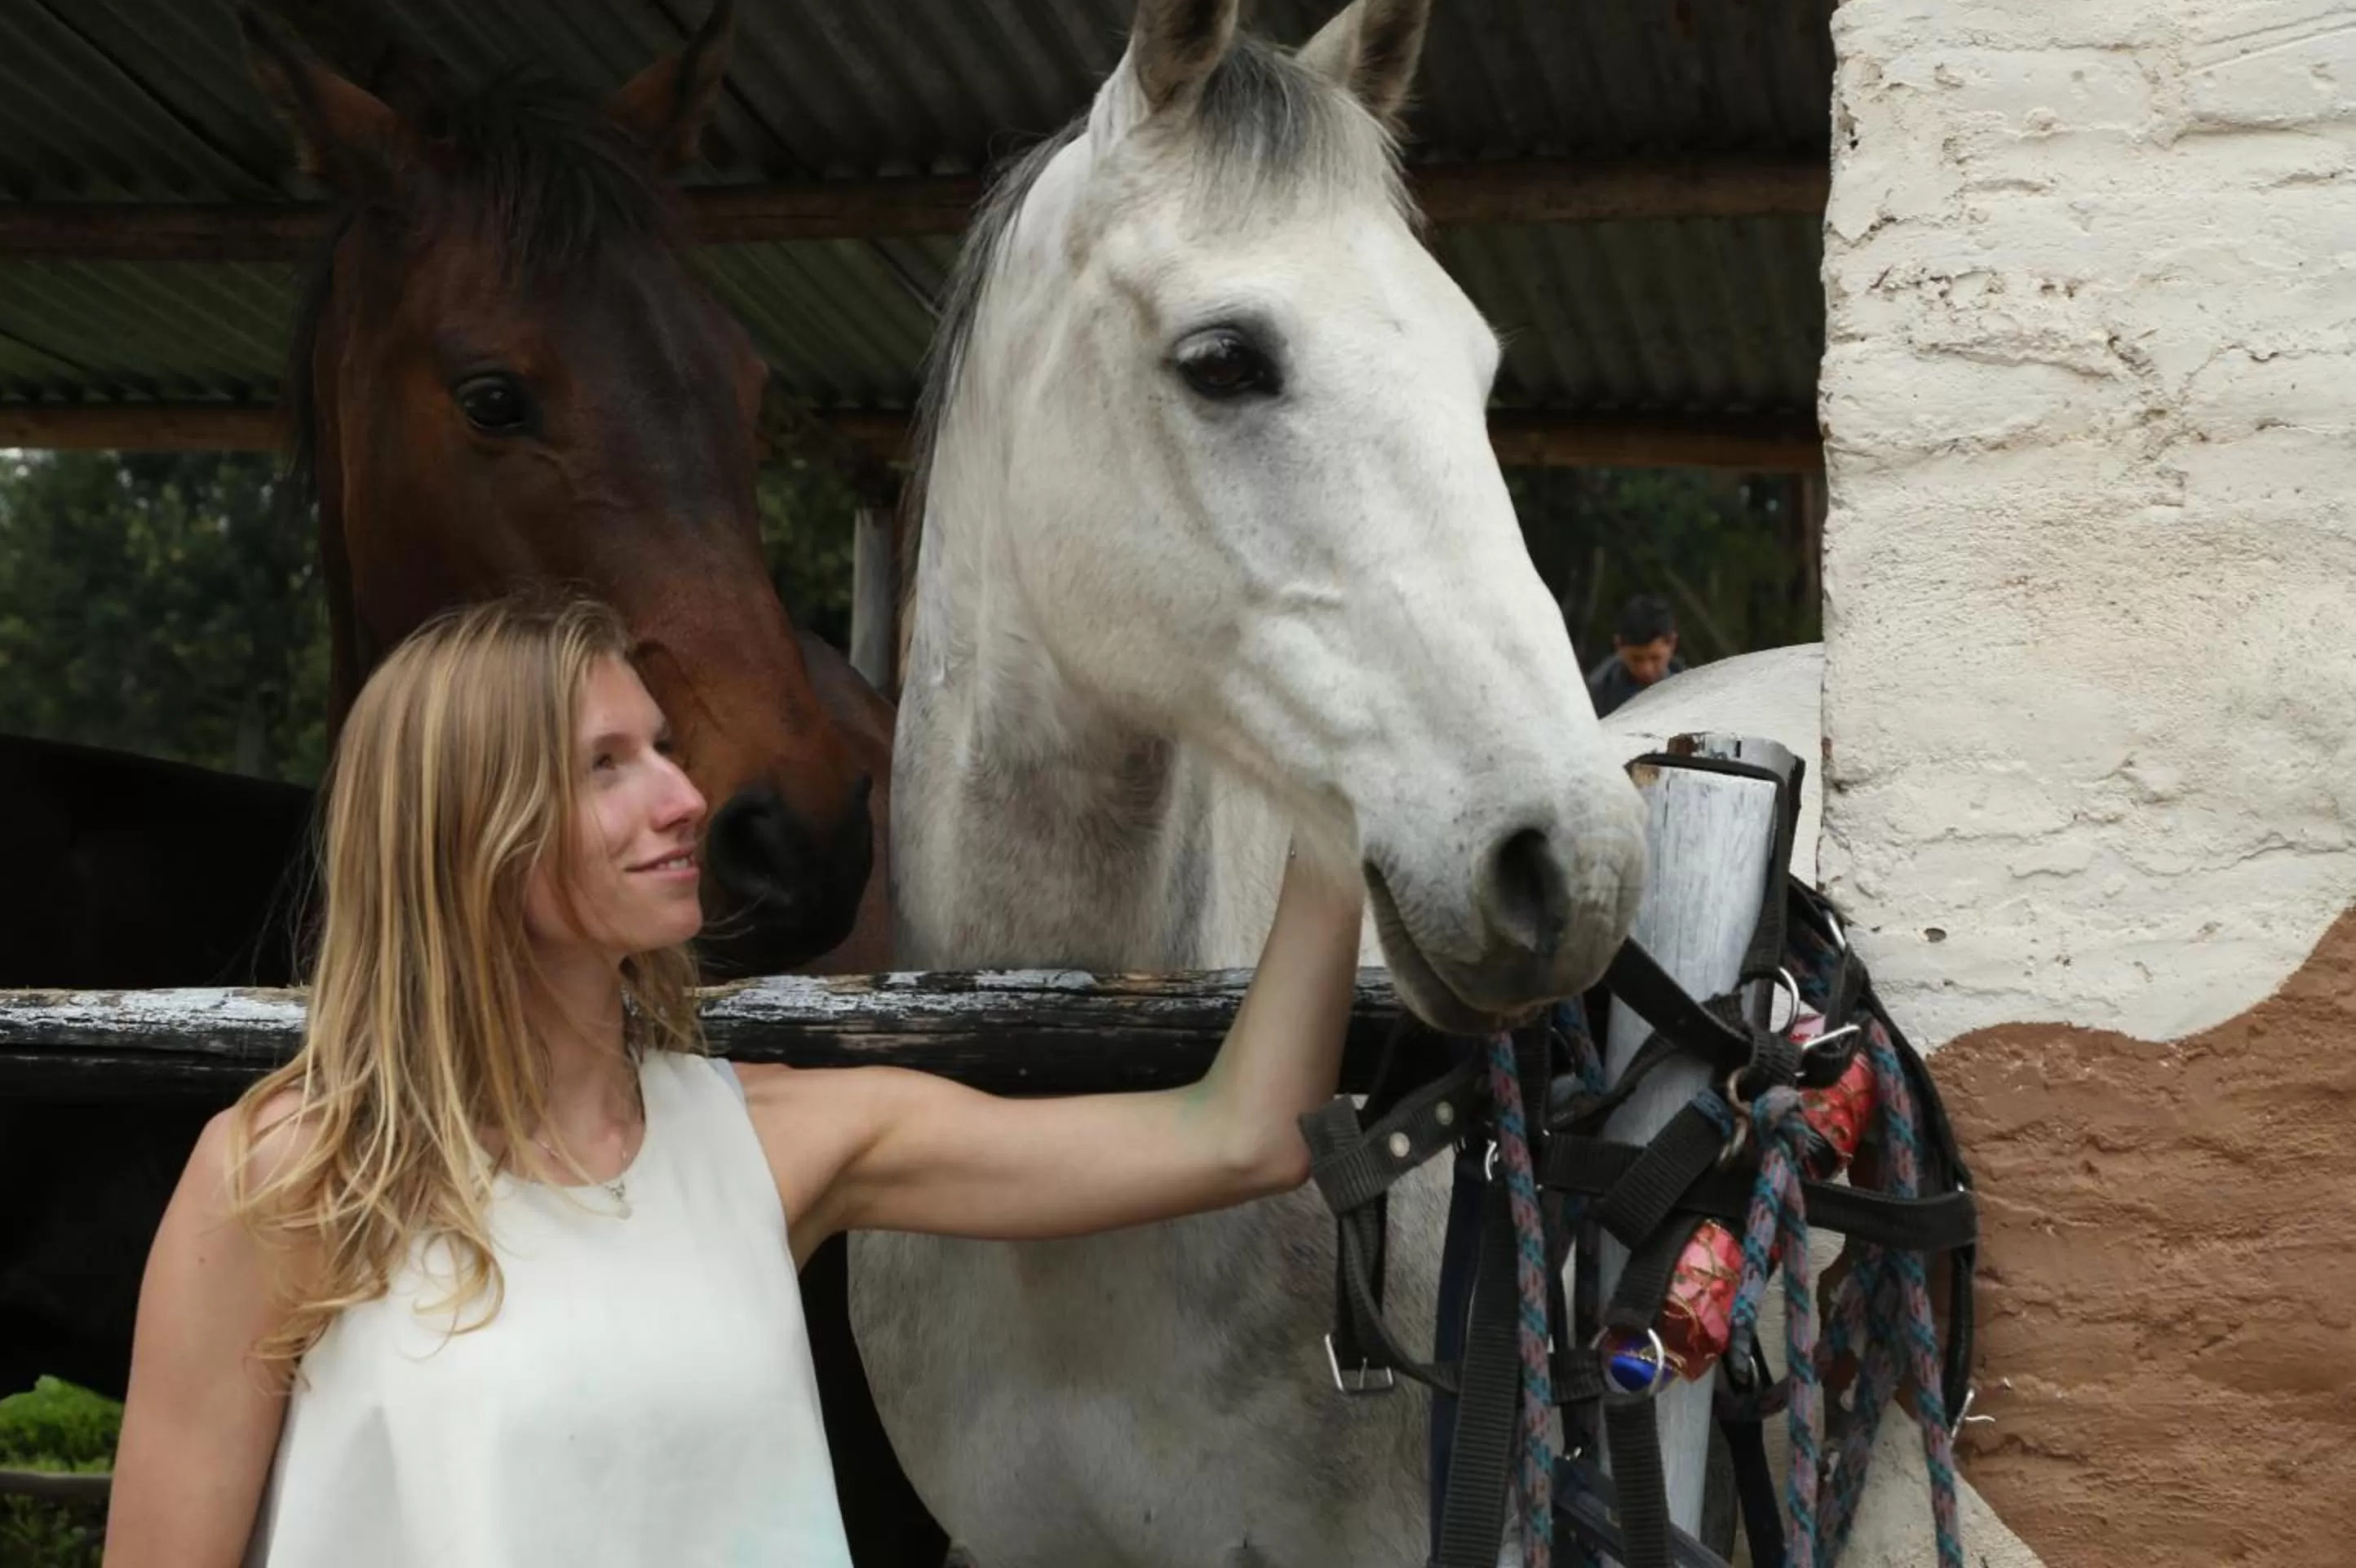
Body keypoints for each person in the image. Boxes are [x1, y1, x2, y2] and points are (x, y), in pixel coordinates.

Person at [101, 594, 1366, 1568]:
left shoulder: (780, 1143)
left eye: (661, 749)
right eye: (607, 765)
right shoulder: (291, 1174)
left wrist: (1345, 825)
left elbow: (1240, 1134)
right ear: (463, 829)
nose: (685, 797)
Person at [1585, 593, 1687, 716]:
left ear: (1672, 643)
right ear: (1618, 646)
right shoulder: (1592, 697)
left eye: (1655, 658)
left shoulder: (1692, 688)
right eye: (1636, 659)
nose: (1646, 669)